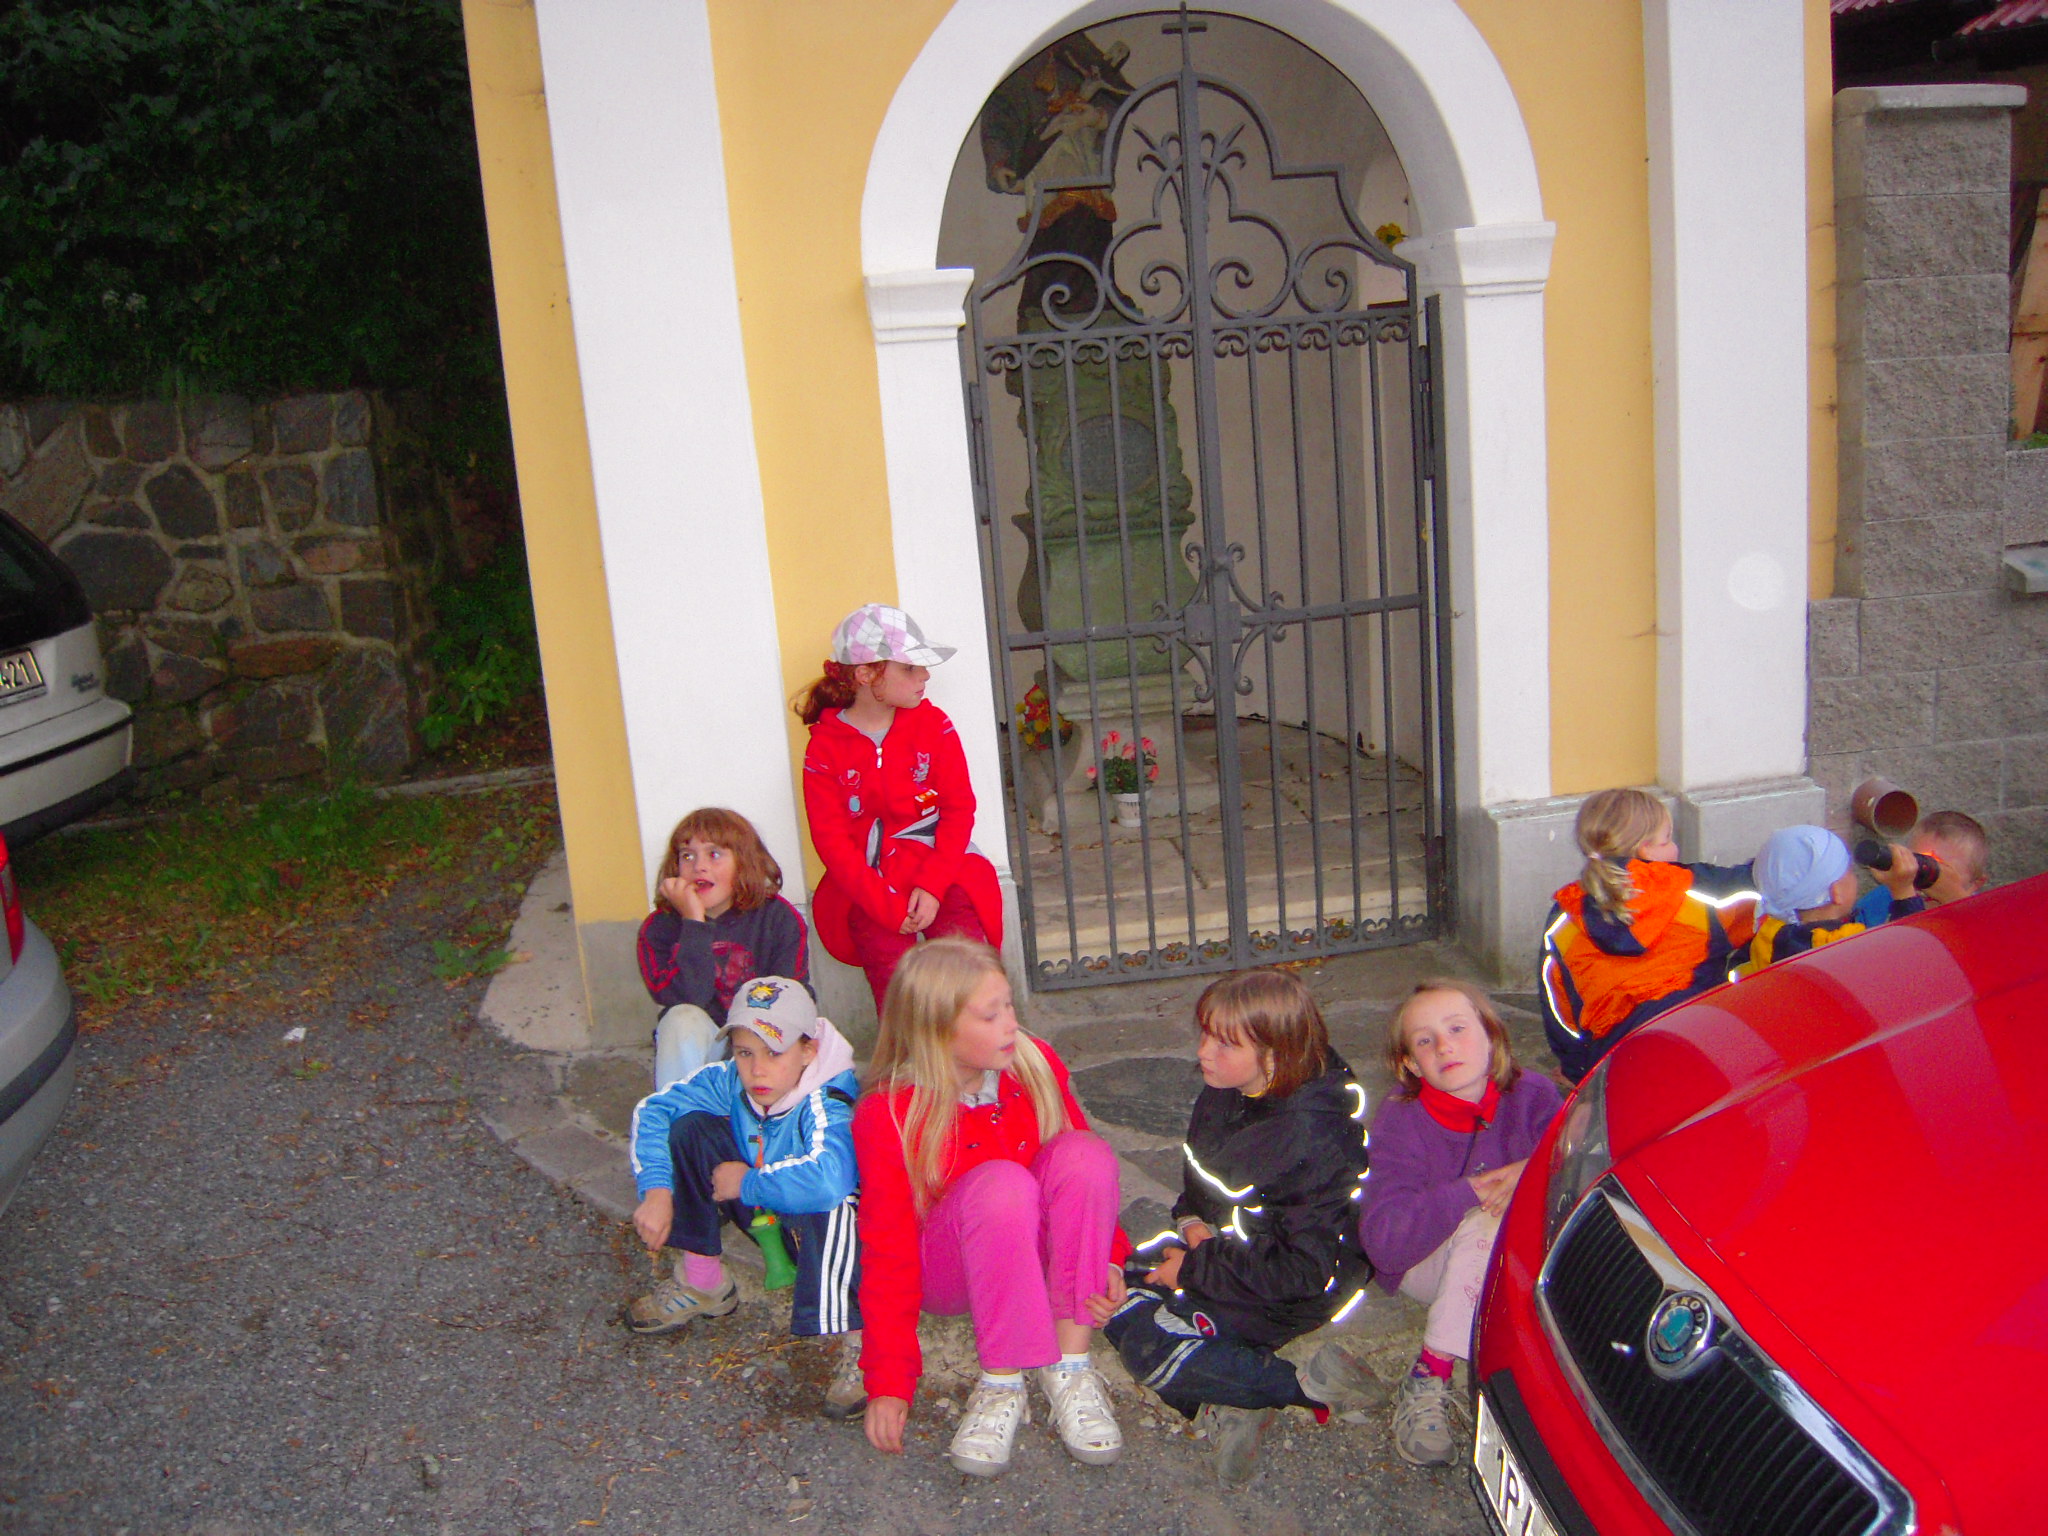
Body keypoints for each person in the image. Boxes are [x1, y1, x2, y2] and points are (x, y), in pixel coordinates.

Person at [1101, 969, 1388, 1488]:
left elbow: (1302, 1272)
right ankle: (1234, 1396)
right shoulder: (1227, 1090)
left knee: (1147, 1344)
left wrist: (1196, 1268)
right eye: (1205, 1035)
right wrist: (1193, 1225)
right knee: (1108, 1291)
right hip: (1230, 1251)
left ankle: (1302, 1387)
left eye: (1224, 1043)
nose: (1203, 1053)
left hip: (1292, 1287)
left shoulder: (1310, 1138)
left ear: (1274, 1054)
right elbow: (1202, 1185)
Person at [852, 937, 1126, 1478]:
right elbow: (887, 1252)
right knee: (1001, 1185)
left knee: (1085, 1153)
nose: (1011, 1024)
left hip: (1036, 1250)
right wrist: (888, 1380)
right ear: (937, 1029)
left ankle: (1070, 1367)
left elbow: (1084, 1182)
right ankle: (1002, 1382)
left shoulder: (1033, 1063)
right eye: (990, 1014)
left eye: (1009, 1005)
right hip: (954, 1270)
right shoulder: (890, 1113)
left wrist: (1108, 1257)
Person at [625, 977, 865, 1419]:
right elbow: (654, 1109)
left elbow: (830, 1180)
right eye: (744, 1052)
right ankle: (703, 1281)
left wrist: (748, 1183)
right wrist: (657, 1189)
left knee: (836, 1202)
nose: (757, 1070)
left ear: (808, 1051)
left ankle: (862, 1340)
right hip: (767, 1212)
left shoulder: (828, 1102)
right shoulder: (733, 1081)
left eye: (774, 1053)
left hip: (827, 1234)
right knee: (689, 1128)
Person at [1359, 980, 1564, 1467]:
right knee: (1485, 1219)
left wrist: (1531, 1170)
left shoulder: (1533, 1094)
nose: (1445, 1046)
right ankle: (1430, 1373)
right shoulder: (1401, 1120)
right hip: (1426, 1261)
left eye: (1457, 1029)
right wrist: (1469, 1192)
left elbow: (1578, 1160)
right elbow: (1384, 1243)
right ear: (1411, 1064)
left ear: (1491, 1035)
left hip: (1516, 1261)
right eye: (1424, 1040)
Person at [795, 604, 1004, 1011]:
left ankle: (981, 1042)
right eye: (909, 667)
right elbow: (831, 841)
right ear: (865, 675)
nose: (925, 675)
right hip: (870, 887)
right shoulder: (824, 749)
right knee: (897, 989)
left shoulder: (934, 725)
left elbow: (959, 809)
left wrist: (933, 885)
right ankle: (907, 1050)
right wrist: (887, 907)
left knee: (969, 974)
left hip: (943, 871)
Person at [1539, 788, 1760, 1083]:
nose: (1675, 847)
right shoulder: (1694, 891)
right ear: (1646, 850)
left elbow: (1558, 1007)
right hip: (1700, 1038)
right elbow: (1761, 888)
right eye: (1667, 839)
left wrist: (1577, 1070)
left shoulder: (1564, 917)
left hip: (1617, 1061)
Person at [636, 807, 810, 1090]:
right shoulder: (660, 928)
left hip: (765, 1041)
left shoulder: (778, 917)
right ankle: (683, 1113)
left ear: (744, 862)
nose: (699, 866)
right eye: (687, 856)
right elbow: (688, 998)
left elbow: (791, 998)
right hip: (703, 1049)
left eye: (714, 854)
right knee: (680, 1018)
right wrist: (694, 923)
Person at [1736, 824, 1923, 979]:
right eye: (1848, 870)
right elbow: (1909, 961)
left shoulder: (1767, 936)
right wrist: (1904, 892)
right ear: (1836, 892)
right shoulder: (1847, 946)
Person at [1851, 809, 1991, 925]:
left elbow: (1916, 944)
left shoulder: (1980, 921)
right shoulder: (1880, 900)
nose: (1923, 876)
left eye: (1940, 870)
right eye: (1918, 862)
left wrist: (1905, 897)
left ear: (1975, 884)